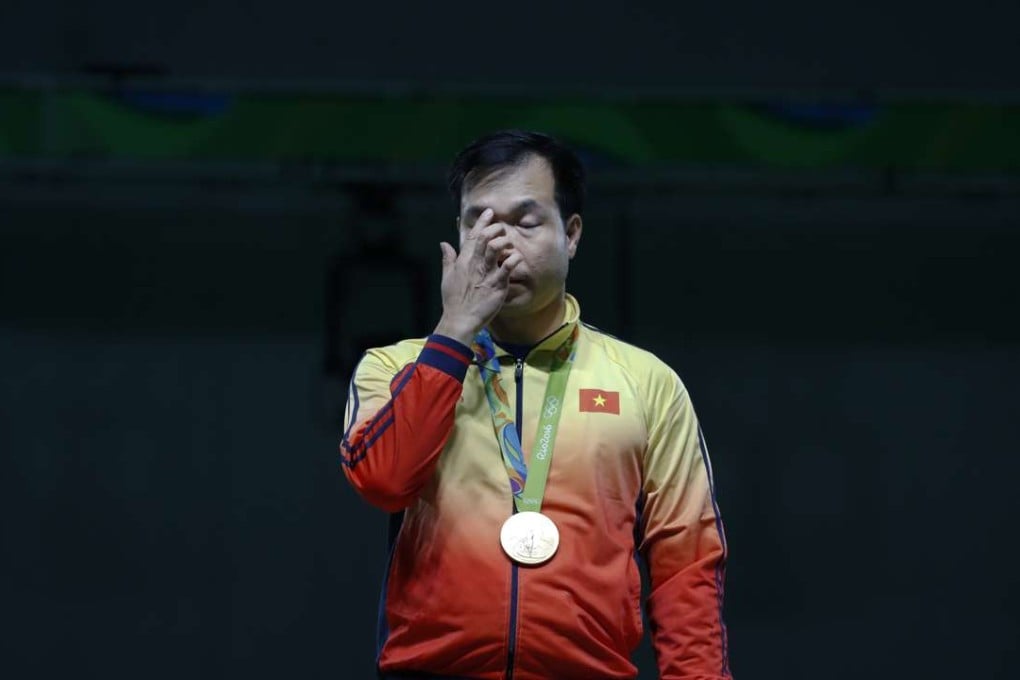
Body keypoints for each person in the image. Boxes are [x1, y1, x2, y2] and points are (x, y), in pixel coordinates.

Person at [340, 130, 732, 680]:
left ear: (571, 235)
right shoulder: (395, 368)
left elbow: (685, 564)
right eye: (479, 222)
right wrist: (454, 333)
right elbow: (384, 481)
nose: (500, 244)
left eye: (526, 222)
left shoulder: (647, 382)